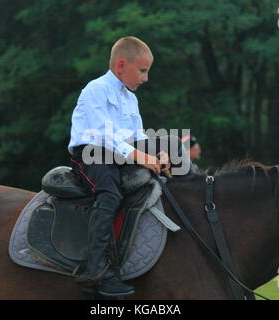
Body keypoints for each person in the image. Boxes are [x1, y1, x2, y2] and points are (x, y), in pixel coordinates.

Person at [68, 36, 170, 297]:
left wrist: (156, 154)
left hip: (121, 155)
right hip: (92, 154)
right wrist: (139, 156)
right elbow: (103, 133)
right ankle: (96, 272)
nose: (145, 78)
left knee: (154, 186)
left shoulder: (130, 98)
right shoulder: (95, 89)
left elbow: (138, 135)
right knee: (110, 195)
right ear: (121, 65)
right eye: (143, 70)